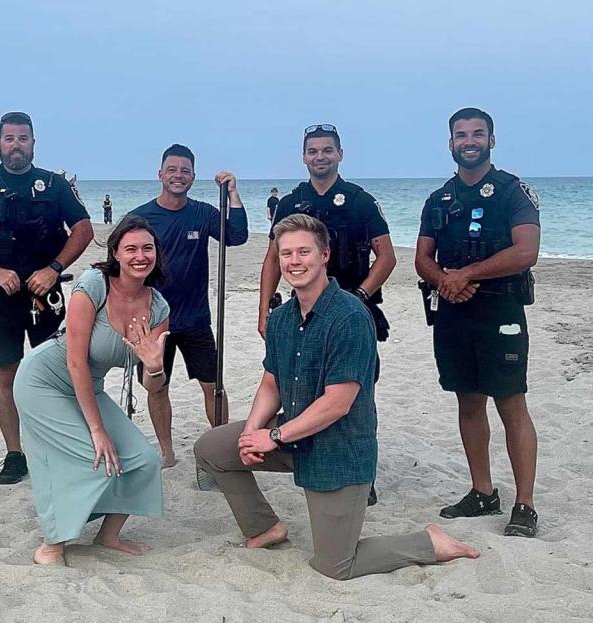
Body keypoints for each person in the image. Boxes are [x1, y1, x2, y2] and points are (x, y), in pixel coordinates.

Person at [195, 213, 479, 580]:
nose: (294, 261)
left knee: (335, 565)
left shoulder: (350, 317)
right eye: (286, 254)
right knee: (212, 449)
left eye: (303, 252)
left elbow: (338, 403)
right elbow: (272, 382)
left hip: (338, 449)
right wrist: (253, 434)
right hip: (293, 437)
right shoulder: (281, 318)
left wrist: (274, 436)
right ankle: (264, 527)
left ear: (324, 254)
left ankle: (428, 543)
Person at [0, 111, 94, 485]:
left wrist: (55, 268)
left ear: (33, 143)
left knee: (59, 371)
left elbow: (83, 228)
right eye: (9, 139)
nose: (16, 145)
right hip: (0, 294)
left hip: (47, 293)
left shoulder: (54, 185)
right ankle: (15, 453)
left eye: (23, 138)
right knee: (4, 373)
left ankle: (58, 446)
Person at [14, 215, 170, 565]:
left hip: (88, 388)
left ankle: (108, 536)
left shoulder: (158, 307)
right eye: (131, 249)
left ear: (157, 254)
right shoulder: (94, 284)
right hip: (45, 381)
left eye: (147, 248)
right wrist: (97, 429)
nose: (140, 256)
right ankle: (51, 545)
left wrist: (156, 365)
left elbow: (153, 386)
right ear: (115, 252)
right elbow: (75, 362)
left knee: (144, 461)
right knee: (95, 458)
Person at [415, 107, 541, 537]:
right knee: (468, 402)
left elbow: (526, 252)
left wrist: (467, 274)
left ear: (491, 139)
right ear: (450, 143)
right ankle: (483, 492)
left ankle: (524, 503)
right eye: (461, 134)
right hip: (453, 313)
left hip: (501, 312)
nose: (469, 140)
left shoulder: (512, 192)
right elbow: (422, 258)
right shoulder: (439, 200)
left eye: (477, 133)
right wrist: (446, 281)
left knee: (511, 403)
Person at [259, 124, 396, 505]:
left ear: (340, 154)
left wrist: (359, 297)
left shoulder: (359, 201)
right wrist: (264, 309)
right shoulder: (290, 204)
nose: (320, 157)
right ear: (304, 157)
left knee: (357, 394)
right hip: (301, 311)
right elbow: (273, 258)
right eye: (313, 151)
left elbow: (386, 256)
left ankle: (361, 475)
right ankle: (310, 454)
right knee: (304, 384)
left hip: (354, 310)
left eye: (327, 150)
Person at [128, 144, 248, 468]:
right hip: (154, 322)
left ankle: (221, 452)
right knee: (156, 386)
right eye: (172, 169)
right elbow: (121, 262)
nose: (178, 175)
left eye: (185, 171)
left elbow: (237, 235)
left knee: (214, 386)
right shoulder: (141, 217)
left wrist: (233, 193)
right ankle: (167, 452)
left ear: (193, 177)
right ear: (160, 174)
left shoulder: (203, 213)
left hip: (196, 319)